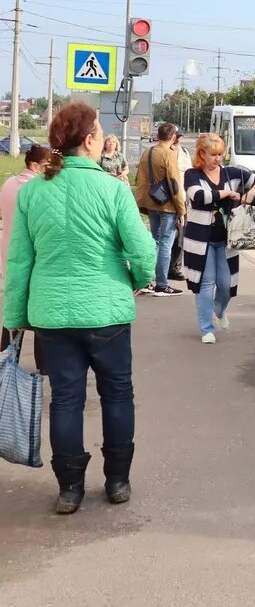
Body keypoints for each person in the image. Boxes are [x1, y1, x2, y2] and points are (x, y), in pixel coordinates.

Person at [3, 104, 156, 514]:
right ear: (89, 140)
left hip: (52, 316)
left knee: (65, 400)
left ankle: (69, 489)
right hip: (107, 312)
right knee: (117, 394)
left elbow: (19, 261)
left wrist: (14, 318)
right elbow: (143, 250)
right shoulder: (113, 189)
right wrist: (137, 281)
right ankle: (118, 482)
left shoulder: (33, 191)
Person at [182, 133, 255, 344]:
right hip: (201, 240)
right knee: (206, 283)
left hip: (227, 239)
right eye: (213, 155)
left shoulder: (232, 173)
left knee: (226, 284)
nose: (218, 159)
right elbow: (199, 197)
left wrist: (249, 195)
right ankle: (206, 329)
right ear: (202, 154)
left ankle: (218, 311)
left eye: (220, 154)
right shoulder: (193, 174)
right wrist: (228, 194)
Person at [0, 144, 51, 370]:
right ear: (35, 166)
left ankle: (6, 359)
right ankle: (45, 365)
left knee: (14, 310)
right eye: (48, 166)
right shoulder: (37, 188)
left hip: (9, 255)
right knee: (40, 313)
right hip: (31, 257)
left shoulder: (9, 183)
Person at [132, 122, 186, 296]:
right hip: (167, 205)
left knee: (154, 242)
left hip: (150, 202)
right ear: (172, 137)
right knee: (165, 243)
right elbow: (175, 184)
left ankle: (147, 281)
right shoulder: (168, 154)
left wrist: (140, 200)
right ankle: (162, 284)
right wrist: (181, 209)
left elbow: (140, 177)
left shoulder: (148, 152)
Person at [170, 131, 193, 282]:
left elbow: (190, 174)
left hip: (183, 198)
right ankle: (162, 267)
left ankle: (175, 267)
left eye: (180, 137)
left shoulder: (185, 152)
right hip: (167, 199)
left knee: (181, 234)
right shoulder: (165, 152)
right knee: (166, 236)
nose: (178, 139)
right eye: (176, 136)